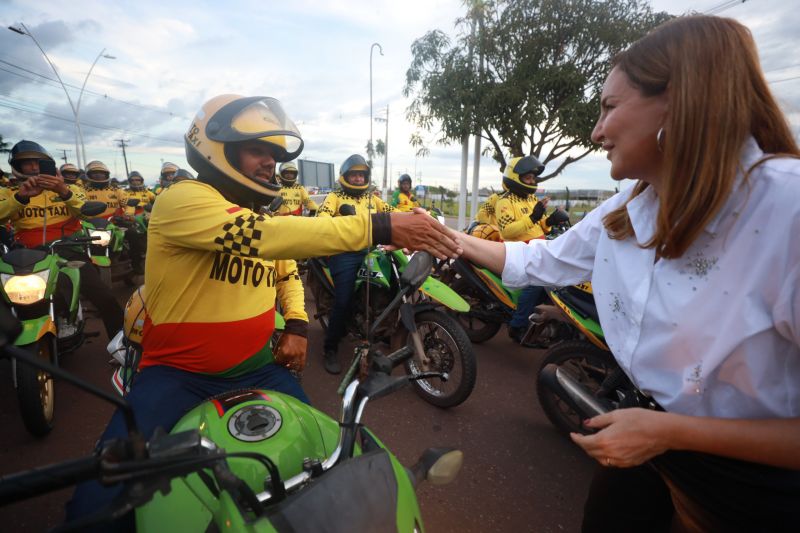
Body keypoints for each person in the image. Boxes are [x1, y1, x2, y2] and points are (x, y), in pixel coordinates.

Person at [449, 15, 800, 531]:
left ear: (679, 102)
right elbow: (541, 258)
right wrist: (447, 237)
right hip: (642, 434)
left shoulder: (786, 207)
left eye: (610, 107)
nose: (596, 131)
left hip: (750, 486)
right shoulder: (630, 205)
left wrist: (670, 433)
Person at [66, 94, 457, 527]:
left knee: (328, 460)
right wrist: (381, 226)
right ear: (217, 148)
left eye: (274, 153)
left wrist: (297, 324)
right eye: (257, 150)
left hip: (258, 367)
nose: (270, 162)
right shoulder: (183, 199)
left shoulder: (260, 213)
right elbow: (264, 236)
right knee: (98, 505)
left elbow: (286, 272)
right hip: (178, 374)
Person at [1, 141, 123, 338]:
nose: (33, 166)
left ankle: (123, 345)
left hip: (69, 250)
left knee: (105, 297)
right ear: (17, 166)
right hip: (28, 255)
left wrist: (63, 191)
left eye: (38, 162)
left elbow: (86, 214)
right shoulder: (8, 192)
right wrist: (20, 198)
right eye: (27, 163)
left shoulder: (71, 188)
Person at [316, 154, 395, 374]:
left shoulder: (372, 199)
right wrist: (341, 222)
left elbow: (391, 212)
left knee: (393, 284)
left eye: (362, 175)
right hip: (344, 253)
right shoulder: (335, 197)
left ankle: (384, 328)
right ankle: (330, 348)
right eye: (354, 174)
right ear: (345, 176)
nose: (359, 178)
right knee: (344, 300)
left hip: (371, 250)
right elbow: (322, 216)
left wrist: (417, 215)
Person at [495, 156, 568, 343]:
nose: (532, 181)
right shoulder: (505, 201)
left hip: (536, 250)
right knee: (537, 282)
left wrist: (550, 220)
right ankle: (517, 326)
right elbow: (507, 231)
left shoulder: (531, 199)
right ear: (515, 177)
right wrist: (533, 217)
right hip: (517, 252)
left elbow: (539, 226)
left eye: (533, 178)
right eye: (528, 178)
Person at [83, 160, 146, 275]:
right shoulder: (82, 191)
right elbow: (78, 206)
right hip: (90, 225)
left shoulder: (116, 190)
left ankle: (136, 264)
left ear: (106, 175)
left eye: (101, 173)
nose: (98, 175)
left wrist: (128, 215)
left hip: (114, 224)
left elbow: (127, 203)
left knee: (133, 233)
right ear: (89, 175)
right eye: (95, 173)